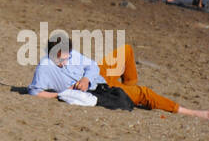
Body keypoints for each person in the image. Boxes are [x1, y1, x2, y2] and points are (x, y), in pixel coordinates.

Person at [28, 37, 209, 118]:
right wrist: (59, 95)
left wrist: (86, 79)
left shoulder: (71, 53)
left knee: (126, 50)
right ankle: (190, 112)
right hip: (100, 89)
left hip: (98, 76)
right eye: (65, 54)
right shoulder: (45, 67)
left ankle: (132, 94)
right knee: (143, 92)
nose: (69, 56)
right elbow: (34, 92)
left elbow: (91, 65)